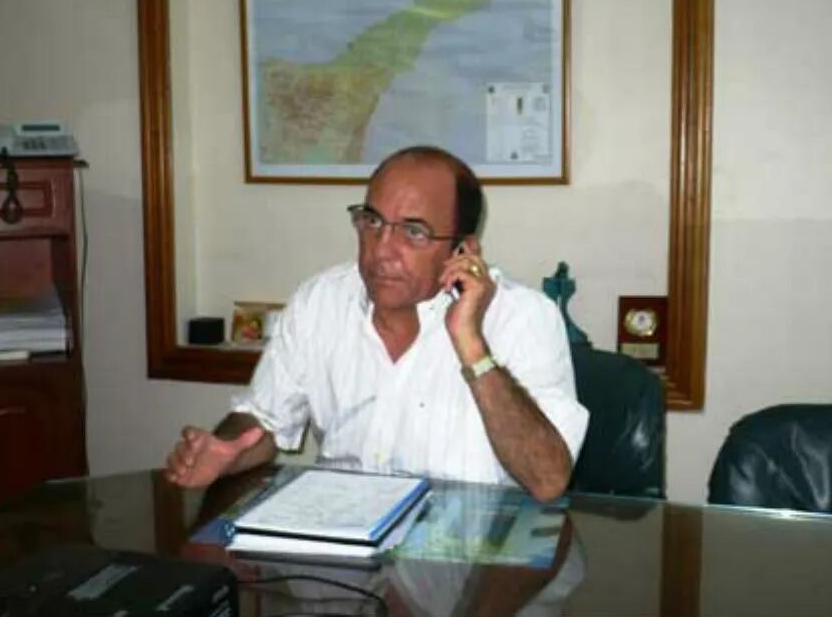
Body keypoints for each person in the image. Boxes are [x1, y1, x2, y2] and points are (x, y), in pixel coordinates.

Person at [165, 146, 588, 501]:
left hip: (467, 553)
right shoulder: (321, 301)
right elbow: (262, 424)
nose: (381, 250)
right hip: (341, 540)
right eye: (372, 222)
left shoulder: (524, 318)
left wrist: (471, 343)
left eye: (413, 232)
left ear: (462, 250)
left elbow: (547, 480)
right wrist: (224, 452)